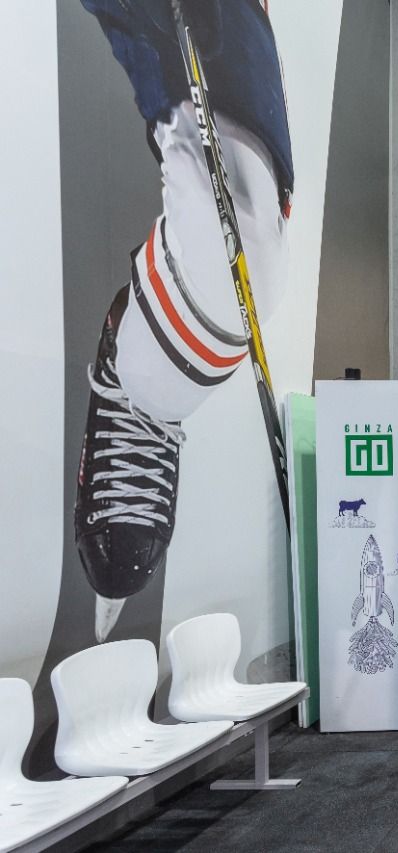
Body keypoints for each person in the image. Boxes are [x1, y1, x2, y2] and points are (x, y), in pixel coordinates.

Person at [76, 0, 293, 641]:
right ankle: (146, 395)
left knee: (244, 247)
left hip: (239, 268)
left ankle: (148, 396)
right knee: (243, 251)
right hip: (224, 290)